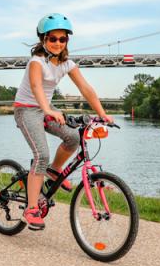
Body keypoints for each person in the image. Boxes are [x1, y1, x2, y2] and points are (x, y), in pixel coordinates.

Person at [13, 13, 113, 230]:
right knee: (42, 155)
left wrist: (102, 113)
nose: (58, 43)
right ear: (43, 40)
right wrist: (48, 109)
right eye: (52, 38)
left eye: (62, 39)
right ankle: (31, 209)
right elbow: (37, 87)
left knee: (73, 138)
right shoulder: (36, 62)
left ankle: (54, 171)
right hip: (26, 110)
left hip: (45, 109)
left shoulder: (67, 63)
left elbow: (85, 88)